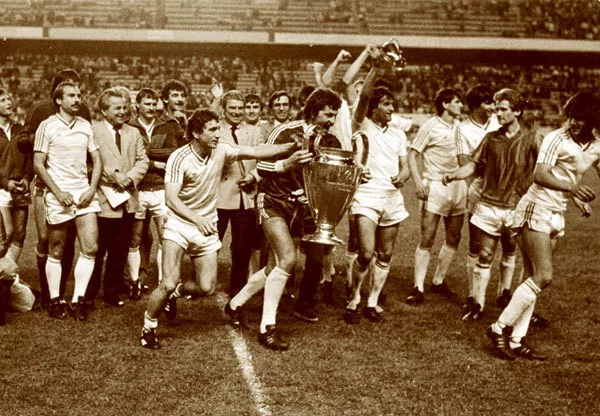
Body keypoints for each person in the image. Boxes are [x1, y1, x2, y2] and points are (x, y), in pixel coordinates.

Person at [140, 109, 297, 350]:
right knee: (168, 282)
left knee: (206, 288)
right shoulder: (179, 158)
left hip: (205, 226)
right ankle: (148, 327)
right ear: (196, 133)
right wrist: (196, 218)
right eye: (212, 130)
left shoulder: (221, 149)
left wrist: (289, 147)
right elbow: (171, 198)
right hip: (179, 225)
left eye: (218, 129)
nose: (217, 134)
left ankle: (176, 294)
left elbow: (255, 151)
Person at [225, 88, 342, 351]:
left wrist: (355, 175)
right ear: (313, 111)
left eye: (335, 115)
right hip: (273, 201)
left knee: (273, 267)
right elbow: (261, 165)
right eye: (328, 114)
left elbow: (330, 177)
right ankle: (267, 327)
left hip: (301, 210)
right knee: (288, 259)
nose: (332, 120)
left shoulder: (331, 141)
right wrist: (286, 164)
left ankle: (234, 305)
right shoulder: (286, 132)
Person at [486, 91, 600, 361]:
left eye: (580, 118)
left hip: (556, 213)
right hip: (534, 208)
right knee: (544, 276)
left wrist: (575, 198)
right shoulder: (555, 138)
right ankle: (498, 328)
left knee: (532, 277)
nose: (572, 122)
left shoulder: (596, 146)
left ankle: (516, 340)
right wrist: (572, 189)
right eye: (570, 116)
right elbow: (540, 174)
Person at [444, 88, 539, 320]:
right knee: (485, 254)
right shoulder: (490, 138)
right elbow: (473, 166)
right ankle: (477, 304)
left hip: (517, 207)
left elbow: (544, 170)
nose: (498, 113)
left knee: (513, 251)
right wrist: (454, 174)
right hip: (489, 205)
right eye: (497, 109)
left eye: (503, 109)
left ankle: (507, 296)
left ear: (517, 111)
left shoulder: (532, 139)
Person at [344, 54, 410, 324]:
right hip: (367, 196)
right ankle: (353, 298)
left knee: (385, 254)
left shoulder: (398, 133)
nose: (391, 108)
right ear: (373, 108)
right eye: (386, 104)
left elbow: (405, 166)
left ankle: (371, 302)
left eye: (392, 103)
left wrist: (403, 177)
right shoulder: (362, 123)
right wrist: (375, 67)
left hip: (392, 197)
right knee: (366, 252)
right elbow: (363, 96)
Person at [16, 69, 90, 309]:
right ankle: (47, 291)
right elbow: (22, 142)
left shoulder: (83, 111)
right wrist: (48, 136)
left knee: (67, 241)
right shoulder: (39, 110)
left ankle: (57, 293)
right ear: (56, 90)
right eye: (69, 87)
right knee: (45, 238)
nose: (76, 95)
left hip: (73, 185)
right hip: (45, 183)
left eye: (77, 87)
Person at [33, 81, 102, 320]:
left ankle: (78, 299)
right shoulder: (47, 125)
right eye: (71, 95)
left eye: (79, 95)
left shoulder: (85, 125)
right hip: (58, 195)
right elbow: (38, 164)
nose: (77, 99)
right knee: (57, 248)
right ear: (58, 100)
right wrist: (57, 192)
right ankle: (54, 300)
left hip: (83, 193)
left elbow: (97, 160)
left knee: (91, 247)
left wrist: (91, 189)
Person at [86, 87, 149, 308]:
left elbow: (143, 160)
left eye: (124, 107)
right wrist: (114, 175)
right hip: (103, 200)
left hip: (128, 200)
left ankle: (112, 291)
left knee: (120, 249)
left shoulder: (133, 132)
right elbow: (90, 162)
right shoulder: (93, 130)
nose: (123, 111)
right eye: (117, 108)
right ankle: (89, 292)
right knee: (96, 249)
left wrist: (129, 178)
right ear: (104, 111)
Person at [125, 88, 187, 298]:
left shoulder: (168, 124)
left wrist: (147, 156)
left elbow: (176, 153)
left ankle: (164, 281)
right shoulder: (130, 125)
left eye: (154, 104)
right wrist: (155, 162)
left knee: (165, 236)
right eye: (147, 104)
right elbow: (132, 157)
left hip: (161, 188)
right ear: (138, 105)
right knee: (134, 238)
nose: (151, 108)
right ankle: (135, 281)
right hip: (137, 189)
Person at [406, 88, 465, 305]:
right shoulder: (430, 125)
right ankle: (418, 287)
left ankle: (438, 281)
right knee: (428, 237)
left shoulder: (459, 126)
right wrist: (418, 182)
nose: (460, 105)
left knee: (454, 236)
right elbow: (413, 154)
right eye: (456, 102)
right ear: (445, 105)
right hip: (436, 185)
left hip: (457, 185)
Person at [454, 85, 509, 319]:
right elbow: (464, 163)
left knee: (509, 244)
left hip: (506, 192)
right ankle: (473, 295)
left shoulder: (499, 123)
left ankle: (505, 292)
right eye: (488, 103)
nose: (493, 107)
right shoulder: (463, 129)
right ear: (476, 106)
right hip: (479, 191)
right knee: (477, 246)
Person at [216, 90, 264, 297]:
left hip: (245, 197)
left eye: (240, 108)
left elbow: (265, 160)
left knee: (242, 247)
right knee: (210, 242)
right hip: (218, 196)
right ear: (224, 109)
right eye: (232, 108)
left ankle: (237, 286)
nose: (237, 112)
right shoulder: (216, 130)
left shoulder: (255, 131)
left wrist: (254, 176)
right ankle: (203, 279)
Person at [0, 88, 32, 269]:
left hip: (20, 188)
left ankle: (8, 274)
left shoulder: (19, 129)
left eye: (9, 98)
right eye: (3, 100)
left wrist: (26, 178)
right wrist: (5, 183)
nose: (8, 102)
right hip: (1, 190)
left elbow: (29, 157)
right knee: (6, 234)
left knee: (20, 233)